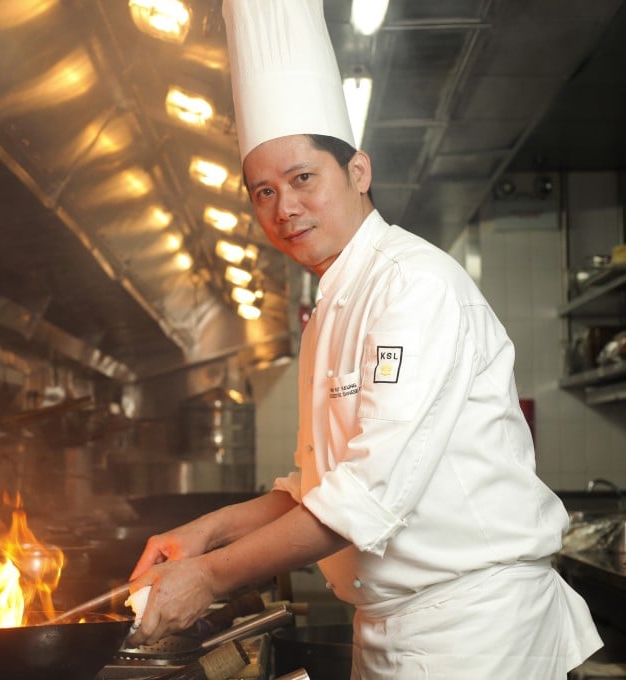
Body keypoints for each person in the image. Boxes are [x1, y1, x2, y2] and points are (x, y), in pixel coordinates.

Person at [124, 1, 603, 677]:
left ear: (358, 173)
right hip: (391, 626)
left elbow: (367, 497)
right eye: (262, 191)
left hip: (476, 631)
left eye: (301, 179)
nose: (283, 208)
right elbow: (316, 487)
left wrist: (210, 578)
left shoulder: (414, 286)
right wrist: (204, 533)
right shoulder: (332, 303)